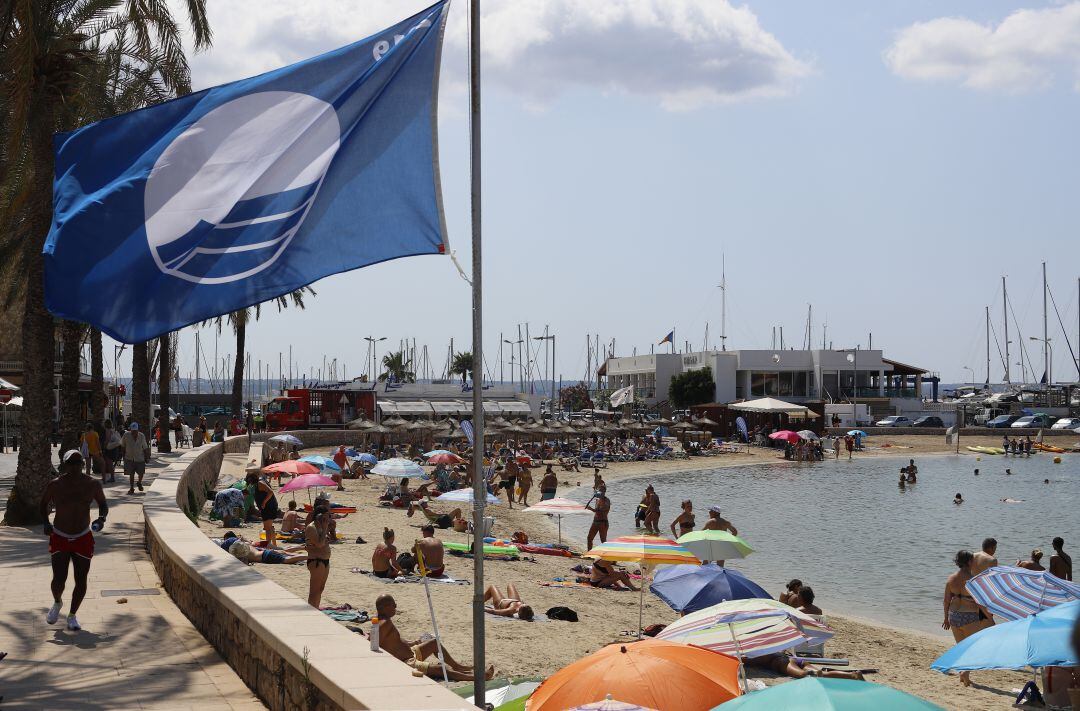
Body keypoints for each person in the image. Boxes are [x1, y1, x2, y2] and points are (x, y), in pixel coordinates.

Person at [40, 450, 108, 631]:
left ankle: (72, 615)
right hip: (60, 535)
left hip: (82, 536)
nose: (76, 467)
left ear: (83, 465)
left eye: (79, 463)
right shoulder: (55, 485)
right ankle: (57, 602)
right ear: (65, 465)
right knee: (58, 579)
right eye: (72, 463)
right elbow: (43, 503)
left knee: (81, 578)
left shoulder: (92, 484)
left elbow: (103, 504)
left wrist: (101, 519)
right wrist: (46, 523)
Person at [374, 594, 493, 681]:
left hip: (410, 653)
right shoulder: (383, 624)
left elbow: (394, 640)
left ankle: (457, 666)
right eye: (392, 604)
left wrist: (413, 642)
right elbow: (372, 645)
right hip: (407, 662)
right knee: (442, 670)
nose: (395, 606)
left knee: (434, 643)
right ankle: (478, 678)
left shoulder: (383, 621)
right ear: (384, 607)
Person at [943, 550, 988, 687]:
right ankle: (965, 672)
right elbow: (981, 602)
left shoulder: (951, 579)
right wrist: (988, 617)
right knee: (973, 648)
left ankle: (964, 673)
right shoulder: (974, 580)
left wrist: (946, 618)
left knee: (962, 647)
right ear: (969, 562)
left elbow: (946, 601)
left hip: (954, 616)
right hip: (969, 616)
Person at [304, 509, 332, 607]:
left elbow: (326, 540)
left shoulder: (322, 526)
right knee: (314, 591)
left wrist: (326, 529)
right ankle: (311, 611)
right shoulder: (312, 527)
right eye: (326, 516)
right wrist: (325, 529)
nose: (328, 518)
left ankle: (316, 609)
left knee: (320, 589)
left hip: (325, 560)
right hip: (316, 561)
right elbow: (320, 544)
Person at [247, 471, 280, 549]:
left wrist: (264, 502)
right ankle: (274, 545)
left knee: (267, 528)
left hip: (269, 507)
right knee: (269, 527)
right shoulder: (258, 483)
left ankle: (268, 546)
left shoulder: (260, 483)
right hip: (267, 507)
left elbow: (271, 492)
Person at [120, 421, 150, 495]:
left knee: (141, 473)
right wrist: (123, 456)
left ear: (137, 430)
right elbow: (122, 445)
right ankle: (131, 488)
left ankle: (139, 482)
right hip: (129, 457)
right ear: (130, 430)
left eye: (135, 431)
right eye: (132, 431)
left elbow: (145, 447)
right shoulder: (126, 435)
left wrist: (147, 457)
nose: (134, 433)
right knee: (131, 474)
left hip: (139, 457)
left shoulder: (142, 436)